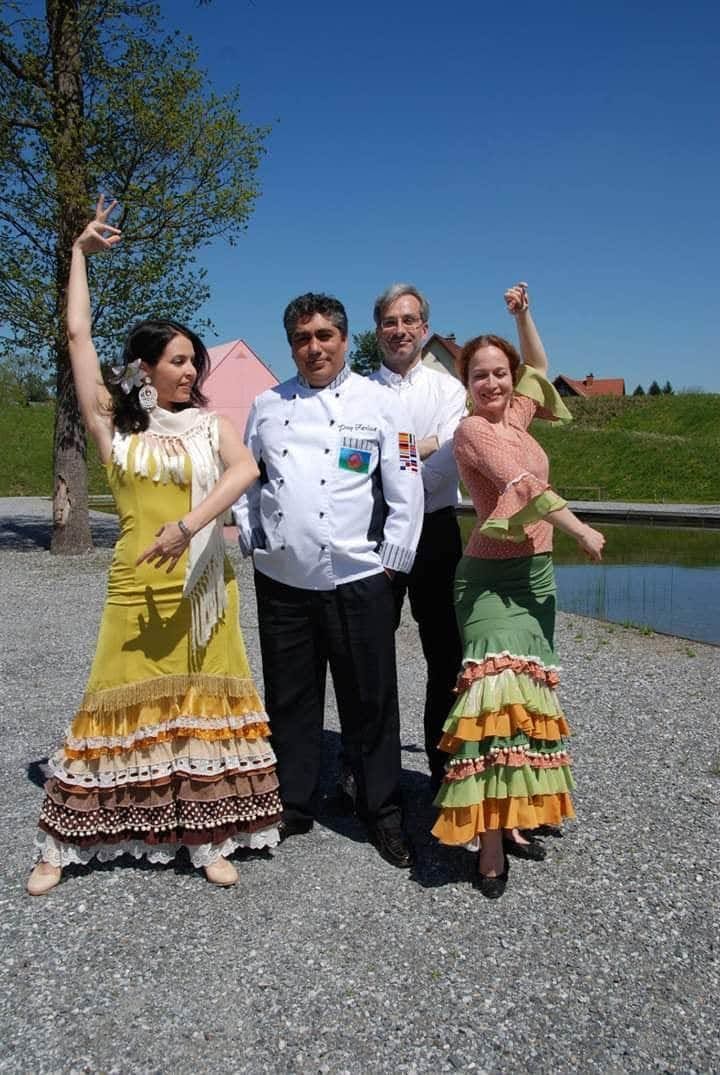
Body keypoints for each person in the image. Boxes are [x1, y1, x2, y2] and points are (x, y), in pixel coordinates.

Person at [26, 198, 281, 896]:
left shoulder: (209, 425)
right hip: (136, 585)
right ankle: (64, 842)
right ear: (145, 367)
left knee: (201, 706)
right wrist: (78, 254)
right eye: (177, 361)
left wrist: (191, 524)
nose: (191, 370)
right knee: (112, 696)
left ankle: (207, 836)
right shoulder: (117, 429)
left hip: (202, 584)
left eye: (194, 360)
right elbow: (78, 338)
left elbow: (245, 471)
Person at [233, 293, 423, 868]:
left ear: (343, 339)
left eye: (323, 336)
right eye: (300, 338)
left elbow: (405, 483)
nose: (312, 347)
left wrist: (395, 558)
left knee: (371, 700)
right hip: (284, 579)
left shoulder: (378, 402)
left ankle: (381, 810)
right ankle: (292, 802)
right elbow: (246, 478)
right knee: (291, 698)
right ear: (290, 344)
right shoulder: (267, 404)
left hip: (357, 575)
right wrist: (252, 533)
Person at [431, 283, 605, 898]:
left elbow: (541, 368)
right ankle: (490, 840)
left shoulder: (522, 415)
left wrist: (523, 314)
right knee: (490, 702)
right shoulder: (471, 433)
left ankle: (517, 812)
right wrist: (581, 527)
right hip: (488, 582)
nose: (494, 384)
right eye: (480, 375)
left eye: (499, 373)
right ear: (466, 382)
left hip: (536, 578)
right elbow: (525, 485)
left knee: (525, 705)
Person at [370, 284, 467, 793]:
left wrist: (393, 462)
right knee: (371, 652)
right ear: (378, 330)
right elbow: (353, 467)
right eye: (390, 321)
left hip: (436, 531)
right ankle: (373, 768)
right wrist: (420, 448)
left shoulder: (449, 390)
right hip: (374, 536)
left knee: (446, 654)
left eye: (410, 320)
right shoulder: (360, 392)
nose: (400, 330)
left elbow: (454, 452)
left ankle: (444, 766)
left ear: (425, 328)